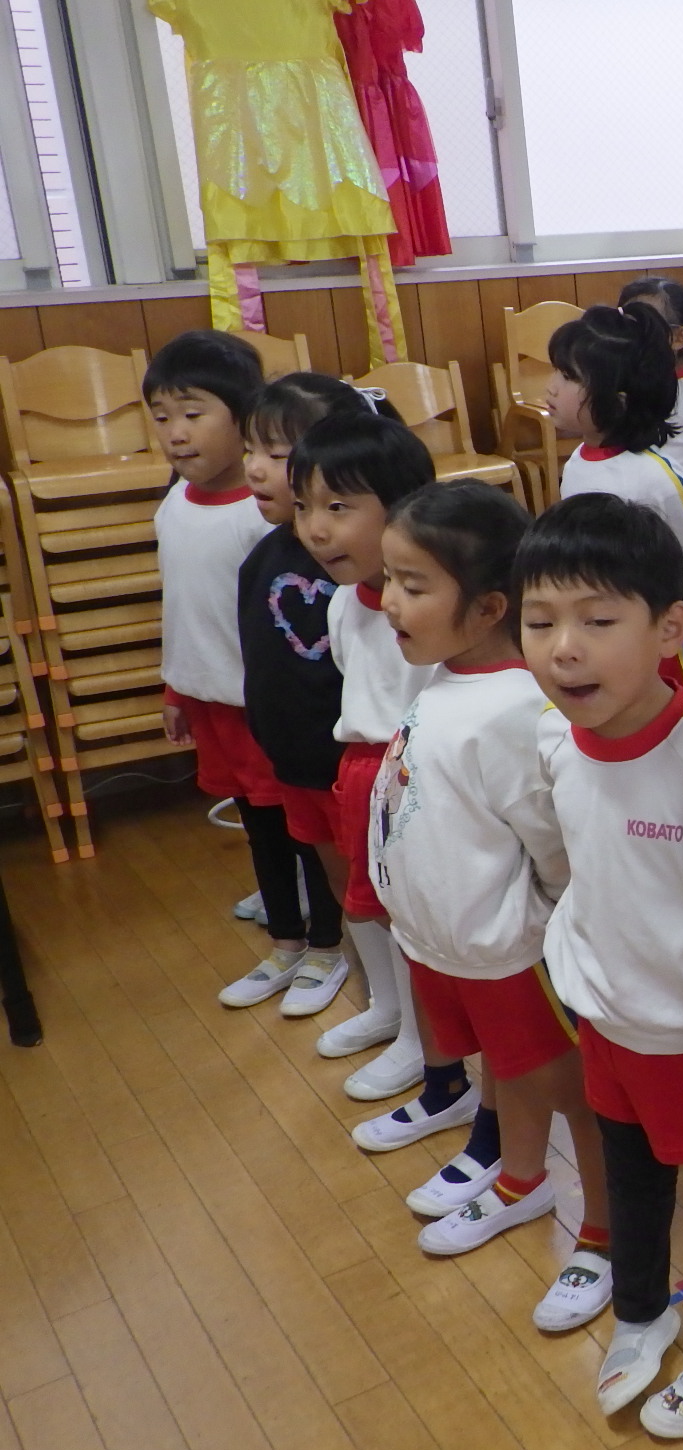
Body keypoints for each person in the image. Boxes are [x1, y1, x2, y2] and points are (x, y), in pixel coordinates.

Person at [517, 493, 683, 1437]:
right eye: (541, 622)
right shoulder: (553, 737)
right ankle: (641, 1308)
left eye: (598, 621)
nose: (564, 650)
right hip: (606, 1013)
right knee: (630, 1173)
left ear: (672, 629)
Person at [365, 480, 613, 1331]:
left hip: (511, 949)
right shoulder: (447, 679)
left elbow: (554, 845)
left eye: (413, 585)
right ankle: (520, 1177)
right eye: (390, 579)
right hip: (452, 943)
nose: (388, 601)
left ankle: (605, 1233)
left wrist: (539, 926)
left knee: (574, 1091)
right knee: (504, 1069)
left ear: (488, 608)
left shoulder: (516, 708)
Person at [291, 414, 471, 1122]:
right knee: (370, 905)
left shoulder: (434, 613)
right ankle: (393, 1013)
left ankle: (429, 1051)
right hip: (361, 770)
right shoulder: (343, 603)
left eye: (339, 507)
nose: (316, 529)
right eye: (304, 506)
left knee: (412, 921)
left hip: (413, 778)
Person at [145, 332, 330, 1012]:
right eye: (162, 417)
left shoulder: (266, 515)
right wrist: (176, 686)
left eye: (194, 414)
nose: (176, 433)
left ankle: (326, 945)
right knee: (259, 829)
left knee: (301, 830)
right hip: (212, 701)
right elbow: (182, 606)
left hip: (268, 710)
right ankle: (286, 941)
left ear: (244, 416)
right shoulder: (175, 501)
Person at [236, 373, 375, 1025]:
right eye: (251, 450)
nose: (256, 468)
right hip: (292, 763)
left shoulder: (357, 565)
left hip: (348, 766)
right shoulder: (262, 557)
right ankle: (378, 1000)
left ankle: (405, 1018)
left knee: (372, 891)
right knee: (342, 886)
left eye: (277, 453)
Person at [549, 303, 683, 548]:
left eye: (568, 377)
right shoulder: (577, 461)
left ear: (618, 401)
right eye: (556, 370)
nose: (551, 387)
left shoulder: (656, 479)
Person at [618, 275, 683, 514]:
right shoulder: (620, 386)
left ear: (679, 338)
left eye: (645, 327)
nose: (632, 337)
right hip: (631, 505)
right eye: (626, 324)